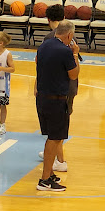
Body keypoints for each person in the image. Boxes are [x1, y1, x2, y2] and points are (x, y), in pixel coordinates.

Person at [35, 20, 80, 191]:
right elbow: (74, 75)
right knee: (54, 140)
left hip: (42, 98)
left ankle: (49, 174)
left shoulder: (45, 45)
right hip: (56, 100)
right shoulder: (65, 51)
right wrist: (75, 54)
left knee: (54, 138)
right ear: (69, 35)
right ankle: (45, 180)